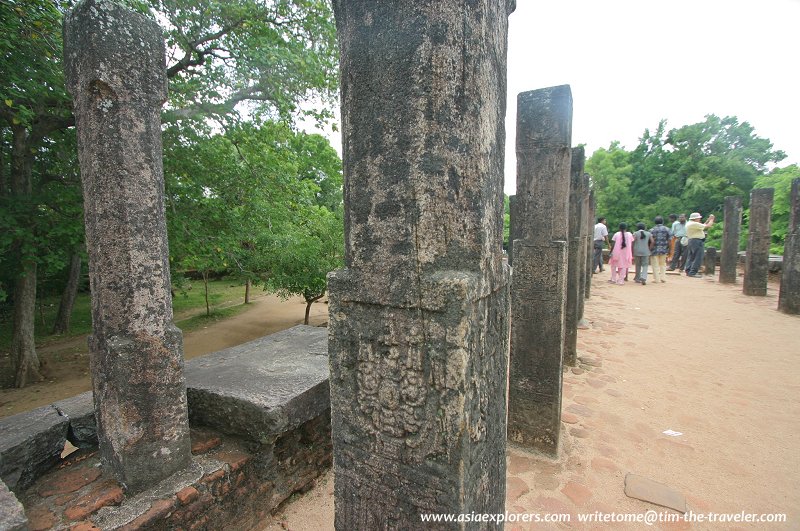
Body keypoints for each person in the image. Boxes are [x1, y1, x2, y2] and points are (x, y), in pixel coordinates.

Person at [684, 212, 715, 277]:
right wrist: (712, 219)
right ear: (695, 219)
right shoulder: (694, 224)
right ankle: (693, 272)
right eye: (698, 218)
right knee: (698, 257)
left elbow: (702, 225)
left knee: (691, 257)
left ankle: (689, 270)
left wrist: (708, 220)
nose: (699, 219)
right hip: (697, 241)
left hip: (692, 240)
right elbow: (707, 226)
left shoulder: (690, 223)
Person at [650, 216, 671, 283]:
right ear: (662, 221)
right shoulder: (667, 229)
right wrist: (670, 249)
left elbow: (650, 241)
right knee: (663, 264)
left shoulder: (652, 230)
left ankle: (656, 279)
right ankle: (663, 278)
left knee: (655, 265)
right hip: (664, 249)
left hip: (654, 249)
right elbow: (669, 240)